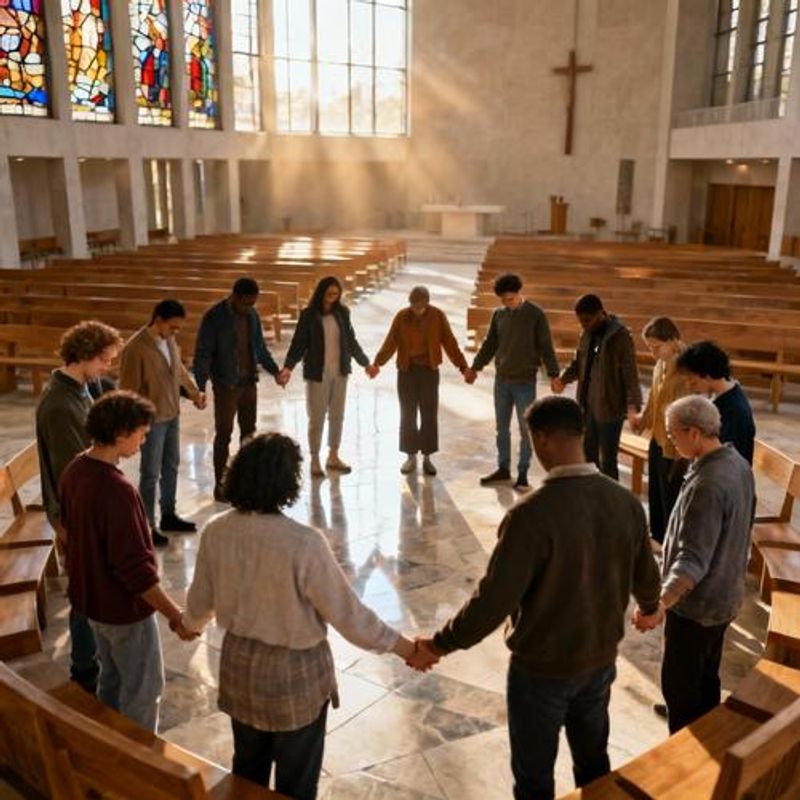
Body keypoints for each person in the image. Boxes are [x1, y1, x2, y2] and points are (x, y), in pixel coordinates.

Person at [408, 396, 662, 800]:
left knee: (533, 778)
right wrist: (650, 607)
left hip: (541, 672)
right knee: (594, 764)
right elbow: (648, 579)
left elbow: (493, 601)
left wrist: (439, 644)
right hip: (599, 660)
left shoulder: (531, 515)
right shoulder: (625, 503)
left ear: (541, 440)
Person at [182, 433, 415, 799]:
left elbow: (199, 605)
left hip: (240, 669)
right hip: (294, 677)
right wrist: (406, 649)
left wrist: (188, 626)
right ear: (287, 482)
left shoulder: (216, 532)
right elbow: (349, 615)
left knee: (247, 774)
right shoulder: (302, 542)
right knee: (297, 783)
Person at [59, 391, 195, 732]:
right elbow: (136, 572)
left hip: (92, 604)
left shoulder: (75, 469)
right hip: (122, 611)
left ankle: (110, 746)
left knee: (113, 681)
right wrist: (175, 615)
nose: (145, 439)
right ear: (121, 435)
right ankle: (138, 763)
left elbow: (68, 535)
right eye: (142, 433)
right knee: (144, 691)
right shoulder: (117, 490)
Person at [632, 395, 755, 734]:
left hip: (698, 606)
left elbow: (692, 560)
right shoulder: (737, 463)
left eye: (673, 434)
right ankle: (703, 725)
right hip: (725, 596)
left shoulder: (709, 483)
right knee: (705, 675)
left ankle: (687, 754)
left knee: (680, 685)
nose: (670, 440)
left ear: (695, 432)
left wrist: (659, 605)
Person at [35, 320, 122, 695]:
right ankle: (84, 670)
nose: (107, 367)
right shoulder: (59, 404)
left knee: (93, 586)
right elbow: (76, 472)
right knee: (85, 591)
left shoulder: (79, 389)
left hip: (86, 506)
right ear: (84, 356)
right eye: (104, 360)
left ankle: (91, 659)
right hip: (76, 513)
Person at [119, 300, 206, 546]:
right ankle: (147, 524)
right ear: (158, 320)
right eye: (173, 327)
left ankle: (169, 515)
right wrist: (134, 424)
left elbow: (178, 369)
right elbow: (127, 389)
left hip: (172, 414)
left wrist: (194, 393)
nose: (175, 332)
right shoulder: (136, 348)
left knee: (171, 467)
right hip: (151, 421)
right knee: (150, 473)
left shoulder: (168, 340)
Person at [470, 273, 560, 490]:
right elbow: (490, 344)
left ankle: (522, 473)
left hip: (524, 382)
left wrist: (554, 375)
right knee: (501, 428)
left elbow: (546, 346)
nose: (507, 304)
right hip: (502, 380)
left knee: (525, 429)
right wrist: (475, 367)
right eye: (503, 300)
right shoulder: (499, 315)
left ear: (519, 293)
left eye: (510, 299)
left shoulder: (535, 314)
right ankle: (503, 468)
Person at [194, 278, 281, 501]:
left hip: (249, 383)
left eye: (252, 303)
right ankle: (221, 484)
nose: (248, 308)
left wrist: (275, 371)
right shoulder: (214, 317)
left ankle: (244, 481)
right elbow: (203, 352)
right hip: (226, 385)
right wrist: (200, 385)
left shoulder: (252, 315)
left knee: (249, 434)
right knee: (223, 434)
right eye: (245, 303)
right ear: (233, 296)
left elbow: (260, 348)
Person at [278, 276, 375, 478]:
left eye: (336, 293)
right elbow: (298, 343)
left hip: (340, 371)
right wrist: (288, 367)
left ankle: (333, 455)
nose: (333, 297)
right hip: (317, 372)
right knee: (317, 417)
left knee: (337, 415)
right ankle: (314, 458)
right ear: (321, 292)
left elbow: (351, 341)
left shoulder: (343, 313)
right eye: (329, 293)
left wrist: (366, 363)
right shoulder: (308, 315)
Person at [372, 285, 470, 476]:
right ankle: (410, 456)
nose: (416, 310)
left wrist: (463, 366)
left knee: (428, 413)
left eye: (420, 307)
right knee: (407, 413)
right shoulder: (402, 316)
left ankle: (427, 457)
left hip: (429, 371)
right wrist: (378, 363)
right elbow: (390, 341)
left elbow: (449, 342)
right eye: (413, 307)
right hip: (406, 371)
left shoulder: (437, 316)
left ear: (427, 303)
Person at [552, 294, 641, 480]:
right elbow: (578, 363)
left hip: (610, 407)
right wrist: (563, 379)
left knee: (608, 459)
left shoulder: (620, 335)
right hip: (587, 405)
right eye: (581, 321)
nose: (584, 324)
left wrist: (633, 406)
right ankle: (591, 496)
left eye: (587, 320)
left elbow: (630, 373)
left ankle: (610, 502)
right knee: (588, 455)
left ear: (601, 313)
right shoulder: (586, 333)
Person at [631, 317, 691, 544]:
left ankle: (670, 542)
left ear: (674, 341)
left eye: (657, 347)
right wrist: (643, 421)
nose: (653, 353)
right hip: (657, 438)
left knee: (671, 496)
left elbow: (686, 411)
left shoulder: (687, 369)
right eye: (649, 348)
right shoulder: (660, 364)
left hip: (676, 446)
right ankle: (657, 537)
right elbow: (654, 399)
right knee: (655, 493)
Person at [675, 340, 756, 464]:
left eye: (692, 380)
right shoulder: (721, 396)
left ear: (707, 376)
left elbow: (727, 459)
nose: (689, 385)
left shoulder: (735, 410)